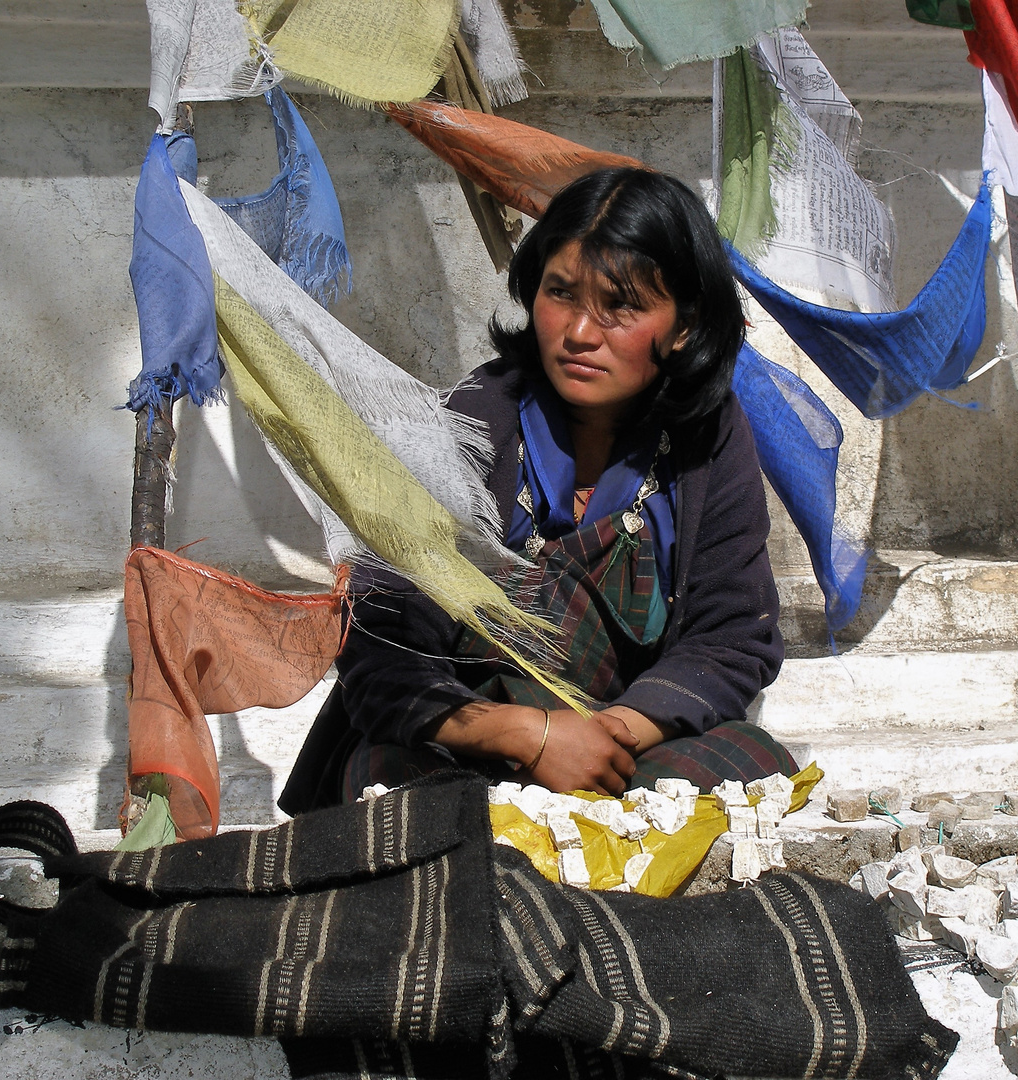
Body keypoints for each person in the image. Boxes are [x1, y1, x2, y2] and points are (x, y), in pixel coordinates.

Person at [279, 167, 792, 811]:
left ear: (684, 326)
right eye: (561, 293)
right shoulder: (471, 424)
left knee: (751, 764)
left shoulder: (705, 439)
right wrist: (531, 735)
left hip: (623, 745)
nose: (580, 332)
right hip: (471, 744)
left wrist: (606, 737)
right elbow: (383, 648)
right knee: (393, 783)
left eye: (621, 306)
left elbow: (734, 634)